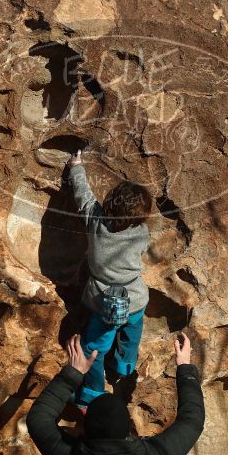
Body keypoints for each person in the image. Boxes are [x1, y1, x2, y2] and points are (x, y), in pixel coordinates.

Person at [27, 333, 205, 455]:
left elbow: (38, 418)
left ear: (86, 426)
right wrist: (185, 367)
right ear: (128, 428)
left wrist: (73, 373)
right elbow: (192, 420)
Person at [65, 150, 153, 409]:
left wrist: (76, 166)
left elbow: (82, 195)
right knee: (131, 335)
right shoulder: (141, 232)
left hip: (102, 303)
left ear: (110, 201)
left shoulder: (96, 219)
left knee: (94, 348)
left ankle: (92, 392)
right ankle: (124, 367)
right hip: (135, 299)